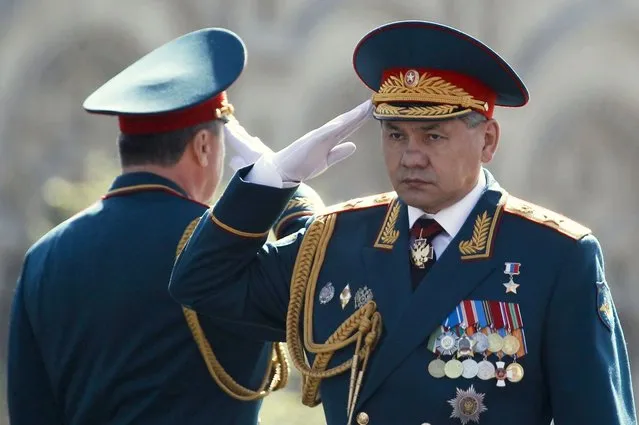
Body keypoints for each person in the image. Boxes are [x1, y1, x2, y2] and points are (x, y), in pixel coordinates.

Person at [168, 21, 637, 425]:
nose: (411, 156)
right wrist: (273, 180)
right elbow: (201, 283)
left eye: (433, 136)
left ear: (487, 140)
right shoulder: (338, 239)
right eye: (395, 134)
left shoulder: (554, 255)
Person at [5, 27, 341, 425]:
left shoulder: (45, 255)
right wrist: (286, 189)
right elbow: (323, 279)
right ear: (203, 146)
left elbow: (30, 409)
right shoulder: (227, 254)